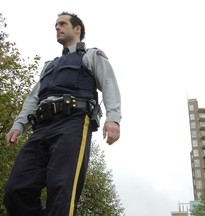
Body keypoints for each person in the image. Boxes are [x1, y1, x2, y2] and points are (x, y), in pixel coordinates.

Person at [3, 11, 121, 216]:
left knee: (61, 189)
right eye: (56, 25)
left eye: (62, 24)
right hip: (41, 127)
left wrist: (113, 119)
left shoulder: (91, 55)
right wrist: (18, 125)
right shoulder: (49, 66)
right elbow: (33, 98)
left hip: (73, 122)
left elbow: (109, 84)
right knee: (16, 190)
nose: (57, 27)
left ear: (77, 29)